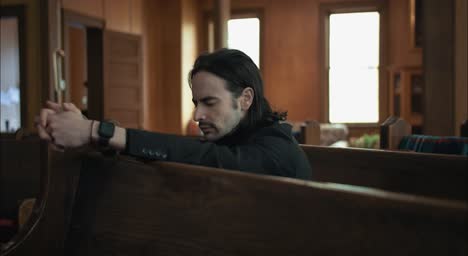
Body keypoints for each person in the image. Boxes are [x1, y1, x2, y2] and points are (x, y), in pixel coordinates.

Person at [37, 49, 312, 180]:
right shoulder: (233, 138)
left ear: (245, 99)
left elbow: (209, 159)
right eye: (196, 102)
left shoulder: (279, 148)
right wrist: (89, 135)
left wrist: (96, 130)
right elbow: (183, 150)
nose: (197, 115)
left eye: (209, 102)